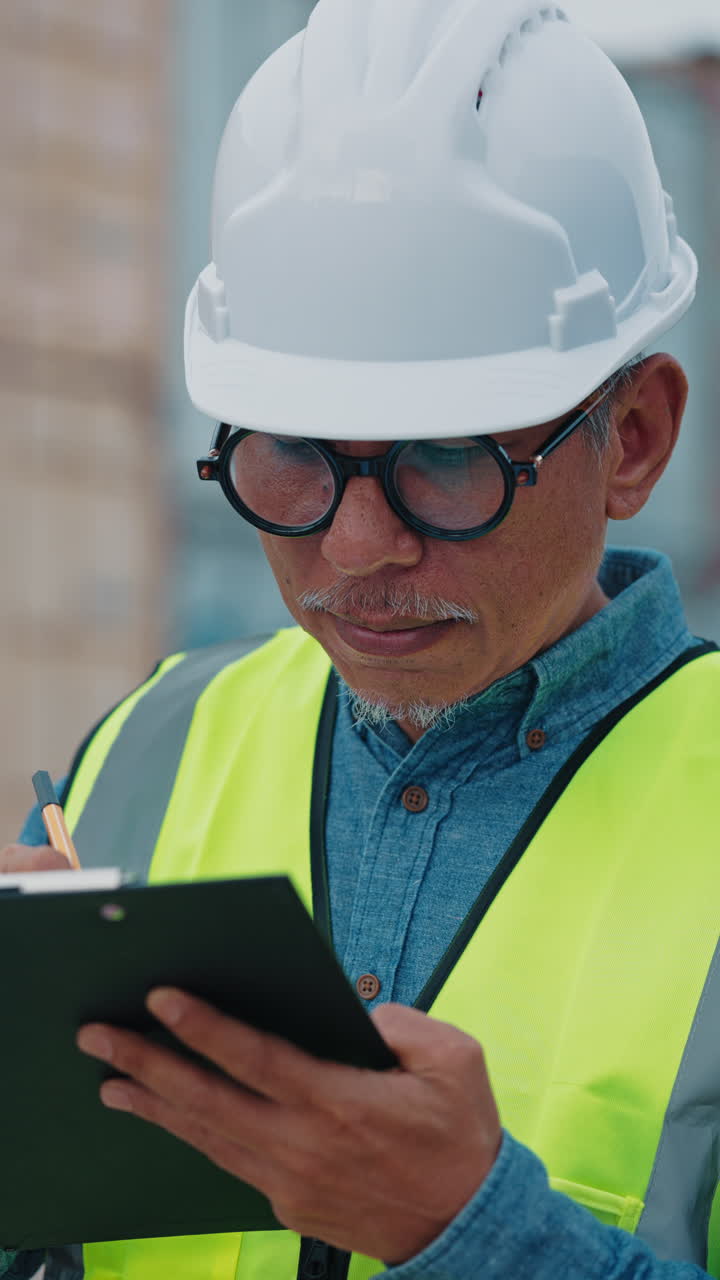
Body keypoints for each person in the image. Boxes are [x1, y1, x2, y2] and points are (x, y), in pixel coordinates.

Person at [3, 1, 719, 1278]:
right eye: (291, 454)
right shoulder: (149, 741)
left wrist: (476, 1233)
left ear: (640, 437)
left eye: (446, 458)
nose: (356, 549)